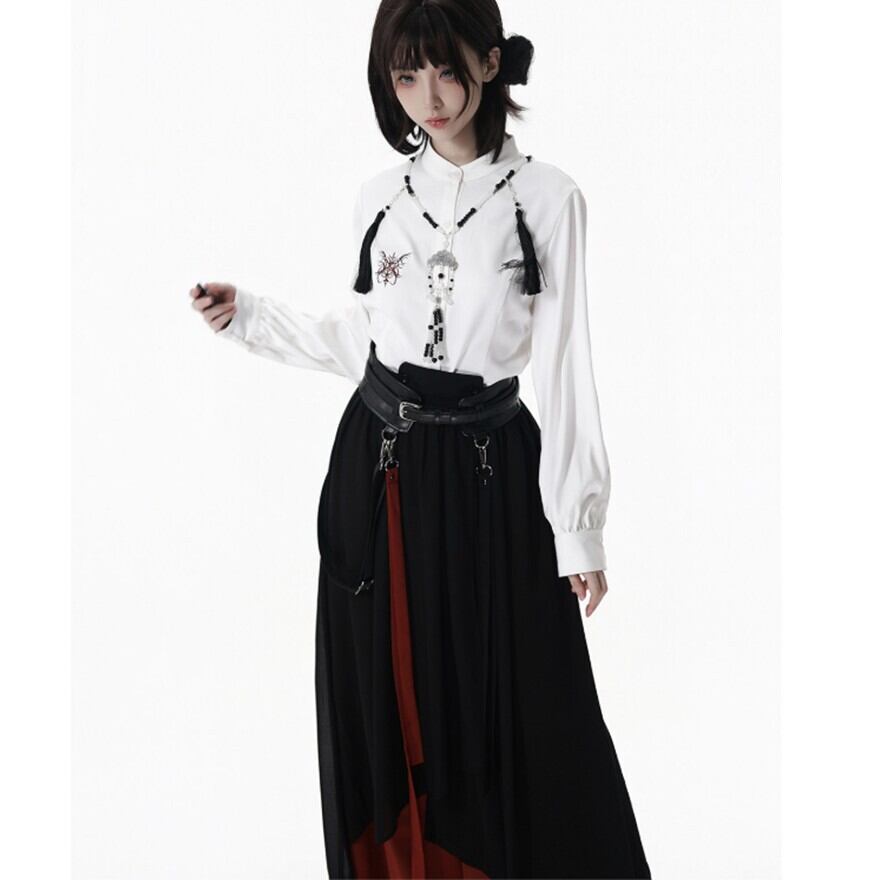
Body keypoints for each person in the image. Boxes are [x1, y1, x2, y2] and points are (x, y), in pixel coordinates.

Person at [189, 1, 651, 877]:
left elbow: (563, 364)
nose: (428, 98)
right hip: (380, 474)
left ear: (489, 62)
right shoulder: (380, 199)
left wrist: (578, 528)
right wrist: (250, 318)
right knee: (394, 707)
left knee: (521, 716)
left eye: (445, 70)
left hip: (490, 476)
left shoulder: (549, 199)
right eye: (406, 77)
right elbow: (366, 339)